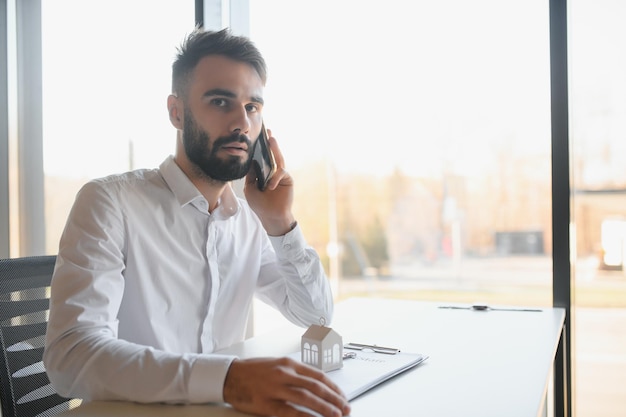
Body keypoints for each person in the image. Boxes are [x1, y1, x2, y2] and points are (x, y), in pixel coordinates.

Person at [43, 27, 351, 417]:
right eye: (221, 101)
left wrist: (281, 223)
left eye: (252, 107)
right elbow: (70, 356)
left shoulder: (250, 220)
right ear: (176, 111)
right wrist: (228, 379)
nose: (241, 122)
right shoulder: (110, 202)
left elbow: (317, 317)